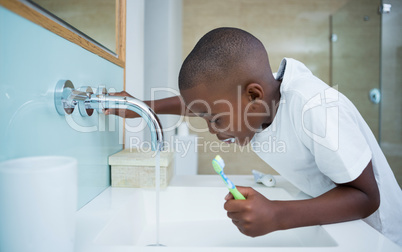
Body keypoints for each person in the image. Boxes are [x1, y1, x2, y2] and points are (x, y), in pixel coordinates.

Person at [105, 27, 402, 246]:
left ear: (253, 96)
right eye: (207, 118)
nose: (211, 127)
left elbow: (367, 197)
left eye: (216, 119)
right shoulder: (259, 97)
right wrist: (144, 107)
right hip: (338, 225)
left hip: (375, 234)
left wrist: (276, 214)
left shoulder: (313, 108)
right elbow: (201, 105)